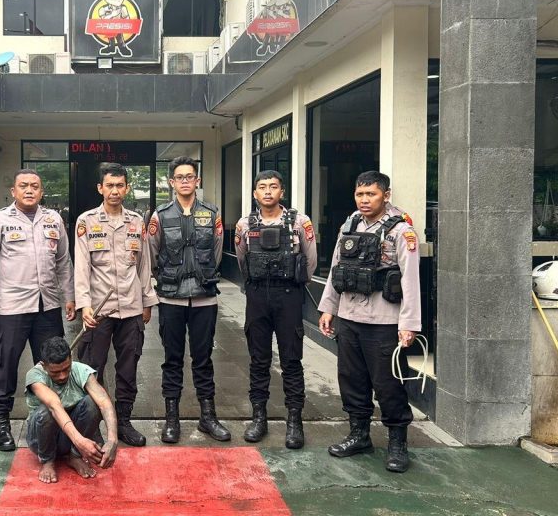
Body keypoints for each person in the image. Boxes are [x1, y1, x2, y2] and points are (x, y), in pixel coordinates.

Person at [318, 170, 421, 473]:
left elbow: (411, 280)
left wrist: (409, 324)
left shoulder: (401, 230)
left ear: (385, 196)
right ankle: (359, 435)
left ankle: (398, 443)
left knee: (388, 385)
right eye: (359, 194)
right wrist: (328, 308)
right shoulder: (349, 225)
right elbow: (336, 268)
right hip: (350, 317)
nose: (364, 200)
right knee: (351, 380)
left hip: (384, 321)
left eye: (371, 194)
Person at [0, 169, 76, 452]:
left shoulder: (53, 219)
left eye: (34, 186)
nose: (29, 190)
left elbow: (63, 262)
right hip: (11, 307)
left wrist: (69, 297)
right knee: (4, 364)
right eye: (23, 186)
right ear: (14, 191)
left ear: (41, 192)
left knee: (51, 364)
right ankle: (0, 421)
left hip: (48, 305)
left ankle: (52, 419)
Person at [74, 163, 158, 447]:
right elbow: (81, 267)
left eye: (120, 185)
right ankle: (92, 425)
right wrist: (84, 304)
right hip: (99, 310)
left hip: (132, 307)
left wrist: (147, 301)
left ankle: (124, 422)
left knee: (128, 368)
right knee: (92, 369)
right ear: (100, 188)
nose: (114, 190)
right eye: (109, 185)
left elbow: (144, 265)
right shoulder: (86, 221)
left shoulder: (136, 221)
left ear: (127, 188)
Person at [147, 156, 230, 443]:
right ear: (171, 182)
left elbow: (217, 250)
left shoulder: (212, 213)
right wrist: (167, 279)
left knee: (203, 359)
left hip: (204, 298)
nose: (185, 181)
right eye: (179, 177)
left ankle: (208, 417)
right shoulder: (160, 215)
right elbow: (152, 253)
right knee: (172, 359)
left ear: (198, 180)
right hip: (171, 299)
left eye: (189, 176)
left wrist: (203, 274)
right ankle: (172, 419)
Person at [235, 170, 317, 447]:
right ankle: (259, 418)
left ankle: (294, 422)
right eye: (262, 187)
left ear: (282, 192)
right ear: (255, 193)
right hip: (257, 296)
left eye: (273, 186)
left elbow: (310, 261)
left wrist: (292, 283)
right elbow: (242, 261)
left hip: (288, 296)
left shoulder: (300, 222)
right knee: (258, 360)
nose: (268, 191)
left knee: (291, 360)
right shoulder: (244, 224)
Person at [25, 336, 119, 484]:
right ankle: (47, 460)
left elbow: (104, 402)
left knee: (92, 402)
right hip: (41, 439)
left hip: (69, 437)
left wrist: (113, 440)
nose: (62, 376)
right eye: (56, 372)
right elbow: (54, 406)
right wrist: (80, 441)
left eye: (66, 369)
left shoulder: (80, 370)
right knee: (46, 412)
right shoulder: (35, 375)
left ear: (71, 359)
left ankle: (74, 456)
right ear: (43, 366)